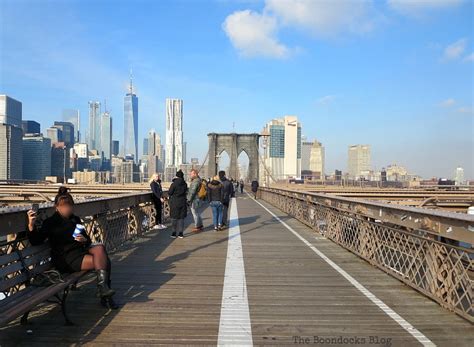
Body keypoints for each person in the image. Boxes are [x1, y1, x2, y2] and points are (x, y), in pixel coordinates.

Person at [26, 187, 118, 309]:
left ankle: (103, 290)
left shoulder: (75, 219)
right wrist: (31, 224)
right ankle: (105, 294)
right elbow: (36, 240)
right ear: (57, 207)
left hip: (79, 253)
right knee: (104, 261)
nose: (67, 209)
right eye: (63, 206)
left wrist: (84, 240)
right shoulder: (51, 222)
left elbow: (87, 240)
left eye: (69, 206)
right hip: (65, 259)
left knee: (100, 249)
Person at [168, 170, 188, 239]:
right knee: (181, 218)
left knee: (174, 218)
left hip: (175, 202)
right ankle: (181, 233)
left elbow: (170, 192)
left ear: (176, 176)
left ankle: (174, 233)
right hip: (182, 202)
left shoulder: (173, 184)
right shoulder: (185, 184)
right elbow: (186, 192)